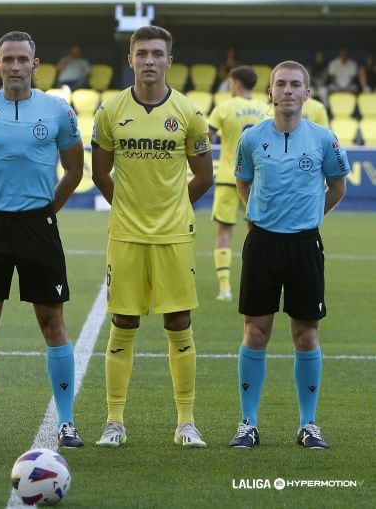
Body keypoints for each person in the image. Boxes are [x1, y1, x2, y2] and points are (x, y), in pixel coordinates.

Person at [0, 31, 85, 449]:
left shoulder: (59, 110)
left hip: (37, 227)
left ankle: (67, 422)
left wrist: (47, 212)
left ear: (34, 64)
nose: (14, 66)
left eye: (21, 59)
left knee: (53, 323)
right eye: (7, 59)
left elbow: (75, 170)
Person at [91, 25, 213, 448]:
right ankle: (114, 421)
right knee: (123, 321)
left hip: (175, 236)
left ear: (169, 61)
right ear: (130, 59)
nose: (149, 61)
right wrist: (127, 206)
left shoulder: (190, 113)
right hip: (125, 235)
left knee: (179, 322)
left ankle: (186, 422)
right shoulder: (110, 111)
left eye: (157, 54)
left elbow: (204, 176)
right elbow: (99, 173)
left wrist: (174, 207)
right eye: (141, 53)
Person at [229, 61, 349, 450]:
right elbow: (242, 181)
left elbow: (337, 187)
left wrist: (311, 216)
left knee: (306, 334)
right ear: (270, 92)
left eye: (296, 84)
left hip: (304, 245)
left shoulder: (323, 138)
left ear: (307, 93)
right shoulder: (251, 138)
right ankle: (247, 423)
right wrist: (257, 214)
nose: (287, 91)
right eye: (280, 84)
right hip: (262, 243)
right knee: (256, 331)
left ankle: (308, 424)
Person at [207, 66, 268, 301]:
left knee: (224, 232)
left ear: (236, 83)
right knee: (259, 233)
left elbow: (206, 138)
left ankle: (225, 289)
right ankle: (261, 283)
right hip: (256, 181)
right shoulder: (266, 109)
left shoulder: (223, 107)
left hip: (227, 177)